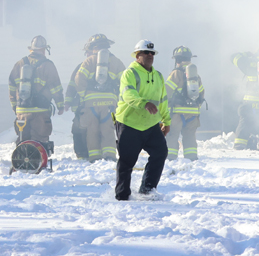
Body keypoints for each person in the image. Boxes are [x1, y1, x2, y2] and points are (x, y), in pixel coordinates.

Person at [114, 39, 171, 201]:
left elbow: (163, 100)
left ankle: (147, 189)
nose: (150, 55)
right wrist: (143, 103)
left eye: (152, 53)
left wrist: (166, 121)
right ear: (137, 55)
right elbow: (128, 94)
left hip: (150, 124)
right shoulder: (130, 73)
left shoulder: (158, 76)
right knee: (127, 161)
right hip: (129, 124)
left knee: (160, 153)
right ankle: (122, 196)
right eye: (146, 52)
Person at [73, 34, 126, 161]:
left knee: (92, 130)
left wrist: (82, 96)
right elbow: (125, 81)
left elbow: (79, 80)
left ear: (93, 47)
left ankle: (95, 157)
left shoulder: (88, 61)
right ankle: (110, 156)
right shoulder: (116, 61)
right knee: (108, 129)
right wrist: (120, 99)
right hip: (109, 103)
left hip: (91, 103)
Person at [8, 36, 64, 145]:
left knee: (22, 140)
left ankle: (22, 159)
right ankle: (38, 160)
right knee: (39, 141)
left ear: (31, 49)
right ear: (44, 50)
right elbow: (55, 87)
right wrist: (60, 105)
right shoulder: (48, 65)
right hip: (40, 111)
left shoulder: (19, 64)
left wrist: (15, 106)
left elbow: (11, 86)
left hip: (22, 110)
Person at [165, 46, 206, 160]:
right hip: (193, 114)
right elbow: (202, 94)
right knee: (190, 137)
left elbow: (166, 92)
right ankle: (191, 158)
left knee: (172, 136)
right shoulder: (196, 76)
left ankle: (170, 158)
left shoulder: (175, 74)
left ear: (177, 60)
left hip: (177, 114)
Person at [231, 50, 259, 151]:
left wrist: (246, 54)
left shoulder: (248, 63)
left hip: (250, 102)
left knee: (245, 122)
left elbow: (233, 57)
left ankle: (239, 145)